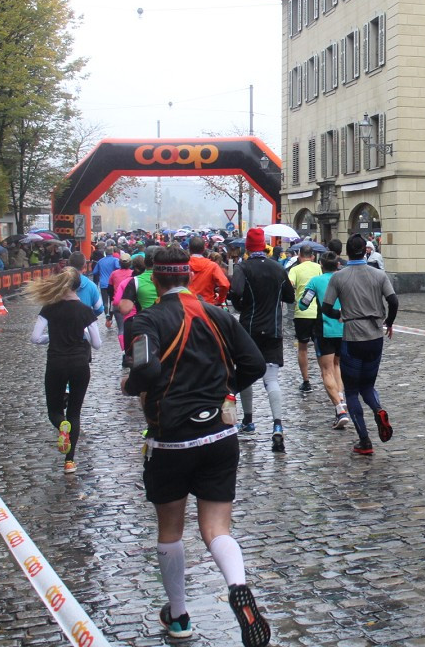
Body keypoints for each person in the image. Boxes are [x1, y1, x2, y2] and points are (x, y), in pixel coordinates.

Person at [121, 246, 271, 647]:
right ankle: (237, 584)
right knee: (216, 528)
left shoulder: (144, 322)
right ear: (189, 277)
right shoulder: (220, 315)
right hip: (220, 435)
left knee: (170, 529)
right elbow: (254, 364)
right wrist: (224, 393)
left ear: (154, 279)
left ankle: (180, 616)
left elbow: (146, 368)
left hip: (170, 440)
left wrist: (130, 386)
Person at [321, 234, 398, 455]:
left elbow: (325, 308)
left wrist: (340, 314)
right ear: (365, 250)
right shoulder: (379, 274)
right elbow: (393, 300)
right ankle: (378, 409)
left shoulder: (338, 277)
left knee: (352, 391)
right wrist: (389, 322)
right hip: (375, 337)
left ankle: (364, 441)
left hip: (352, 337)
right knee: (368, 386)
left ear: (347, 251)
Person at [26, 267, 103, 474]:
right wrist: (84, 333)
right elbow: (97, 344)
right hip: (80, 365)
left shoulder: (49, 308)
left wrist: (52, 337)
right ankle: (69, 462)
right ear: (80, 286)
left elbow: (35, 338)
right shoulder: (86, 311)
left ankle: (62, 427)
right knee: (75, 413)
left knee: (55, 411)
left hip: (56, 363)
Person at [229, 228, 294, 452]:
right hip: (273, 330)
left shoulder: (242, 268)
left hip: (249, 329)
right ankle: (277, 425)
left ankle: (248, 421)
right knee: (271, 378)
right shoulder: (278, 268)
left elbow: (235, 292)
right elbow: (290, 296)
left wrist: (240, 305)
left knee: (245, 374)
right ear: (264, 246)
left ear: (248, 246)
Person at [297, 251, 349, 429]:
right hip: (343, 328)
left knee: (326, 370)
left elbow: (304, 304)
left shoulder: (316, 281)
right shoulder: (344, 280)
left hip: (324, 329)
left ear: (321, 266)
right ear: (337, 265)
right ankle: (341, 397)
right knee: (337, 366)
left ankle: (339, 409)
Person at [288, 244, 321, 394]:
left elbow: (289, 286)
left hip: (302, 313)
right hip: (318, 312)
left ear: (299, 256)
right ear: (313, 256)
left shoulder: (294, 269)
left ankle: (306, 381)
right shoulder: (318, 267)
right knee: (321, 347)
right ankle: (327, 375)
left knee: (303, 348)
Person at [188, 235, 230, 306]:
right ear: (204, 248)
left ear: (189, 248)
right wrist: (220, 299)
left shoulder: (183, 265)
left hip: (187, 306)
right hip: (207, 306)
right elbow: (225, 285)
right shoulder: (212, 266)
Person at [92, 246, 122, 328]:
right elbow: (118, 268)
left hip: (103, 284)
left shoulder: (100, 261)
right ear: (112, 252)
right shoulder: (115, 260)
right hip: (112, 284)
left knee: (105, 302)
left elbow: (94, 272)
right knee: (112, 301)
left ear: (105, 252)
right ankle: (110, 317)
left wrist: (101, 273)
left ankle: (107, 316)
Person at [68, 252, 104, 317]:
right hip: (84, 323)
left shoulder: (59, 284)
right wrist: (89, 317)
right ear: (84, 267)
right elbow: (99, 308)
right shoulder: (91, 286)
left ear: (68, 265)